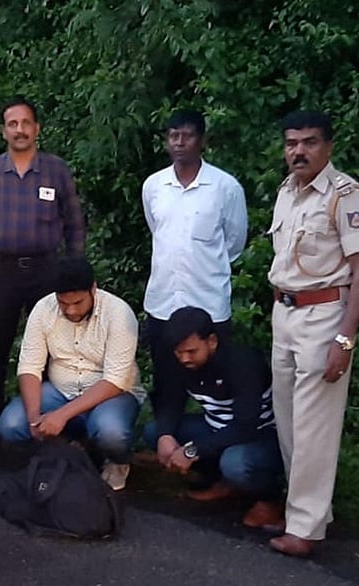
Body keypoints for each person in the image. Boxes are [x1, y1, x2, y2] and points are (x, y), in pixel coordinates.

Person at [266, 110, 359, 557]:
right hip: (285, 312)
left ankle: (306, 529)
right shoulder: (288, 193)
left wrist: (345, 339)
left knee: (315, 426)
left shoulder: (347, 197)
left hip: (324, 316)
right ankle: (304, 512)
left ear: (328, 146)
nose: (299, 151)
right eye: (292, 143)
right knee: (290, 422)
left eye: (309, 142)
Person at [0, 96, 85, 455]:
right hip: (2, 273)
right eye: (13, 124)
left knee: (52, 350)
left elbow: (74, 225)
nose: (20, 130)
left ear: (37, 128)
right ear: (3, 131)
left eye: (26, 123)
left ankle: (47, 424)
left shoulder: (56, 170)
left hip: (47, 272)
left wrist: (77, 275)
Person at [0, 256, 143, 490]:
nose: (71, 310)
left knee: (111, 433)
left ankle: (117, 461)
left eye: (77, 302)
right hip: (60, 390)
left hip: (111, 395)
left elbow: (115, 380)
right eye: (64, 303)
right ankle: (67, 450)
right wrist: (35, 415)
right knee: (12, 424)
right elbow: (29, 367)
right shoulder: (44, 309)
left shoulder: (118, 313)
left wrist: (61, 415)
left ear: (93, 289)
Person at [141, 110, 247, 430]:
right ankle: (165, 444)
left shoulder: (225, 188)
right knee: (166, 384)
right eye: (173, 136)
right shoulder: (154, 185)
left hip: (209, 306)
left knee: (218, 386)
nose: (179, 142)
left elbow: (234, 242)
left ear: (202, 140)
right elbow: (156, 229)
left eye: (187, 136)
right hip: (162, 305)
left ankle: (212, 456)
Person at [144, 307, 284, 526]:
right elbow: (171, 401)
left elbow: (246, 425)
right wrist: (165, 435)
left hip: (261, 436)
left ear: (211, 341)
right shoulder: (179, 361)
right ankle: (223, 482)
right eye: (179, 352)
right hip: (215, 428)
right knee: (155, 432)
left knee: (236, 462)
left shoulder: (243, 363)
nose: (184, 359)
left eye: (191, 351)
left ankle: (270, 500)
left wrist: (192, 451)